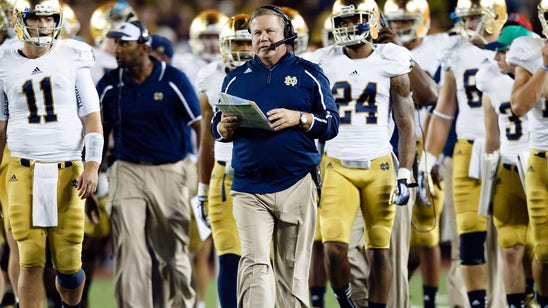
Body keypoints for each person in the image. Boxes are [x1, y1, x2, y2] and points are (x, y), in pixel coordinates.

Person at [211, 5, 339, 307]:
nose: (262, 37)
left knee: (292, 271)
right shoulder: (235, 78)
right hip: (248, 185)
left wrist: (300, 118)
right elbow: (217, 129)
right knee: (254, 264)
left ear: (287, 35)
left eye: (270, 31)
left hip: (297, 182)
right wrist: (224, 127)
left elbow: (331, 124)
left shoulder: (310, 74)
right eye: (256, 32)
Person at [307, 0, 417, 307]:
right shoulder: (322, 60)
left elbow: (406, 122)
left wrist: (405, 173)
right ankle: (346, 301)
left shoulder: (390, 59)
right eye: (342, 21)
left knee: (379, 249)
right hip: (336, 164)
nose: (347, 27)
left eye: (355, 19)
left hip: (378, 166)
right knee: (332, 248)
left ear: (372, 21)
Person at [0, 0, 103, 307]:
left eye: (49, 19)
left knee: (69, 266)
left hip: (67, 168)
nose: (44, 26)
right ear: (21, 20)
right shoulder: (4, 60)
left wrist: (93, 166)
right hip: (21, 167)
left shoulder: (74, 54)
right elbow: (0, 128)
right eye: (37, 19)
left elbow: (92, 119)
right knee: (29, 258)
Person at [96, 20, 200, 307]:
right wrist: (98, 168)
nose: (117, 50)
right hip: (126, 168)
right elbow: (100, 130)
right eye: (115, 43)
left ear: (143, 47)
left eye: (124, 44)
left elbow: (198, 123)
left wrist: (194, 163)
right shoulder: (109, 84)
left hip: (169, 169)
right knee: (129, 250)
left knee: (173, 253)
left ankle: (181, 304)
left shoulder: (173, 79)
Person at [420, 0, 507, 307]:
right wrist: (427, 160)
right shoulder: (455, 51)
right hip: (467, 149)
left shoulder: (519, 46)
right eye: (466, 17)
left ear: (495, 16)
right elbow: (443, 112)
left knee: (513, 240)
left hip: (510, 152)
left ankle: (517, 299)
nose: (468, 24)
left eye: (475, 17)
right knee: (469, 236)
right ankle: (477, 302)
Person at [194, 13, 254, 308]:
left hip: (263, 175)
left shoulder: (273, 73)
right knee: (228, 255)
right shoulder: (211, 76)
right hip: (224, 174)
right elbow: (206, 137)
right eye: (236, 43)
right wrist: (203, 187)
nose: (242, 50)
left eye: (247, 43)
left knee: (261, 259)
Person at [479, 24, 536, 307]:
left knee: (541, 249)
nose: (497, 58)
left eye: (503, 52)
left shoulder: (540, 77)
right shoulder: (490, 82)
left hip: (538, 168)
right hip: (508, 168)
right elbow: (492, 137)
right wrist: (487, 183)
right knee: (511, 246)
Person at [507, 1, 548, 305]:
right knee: (545, 252)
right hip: (541, 159)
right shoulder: (528, 50)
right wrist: (544, 67)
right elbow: (519, 107)